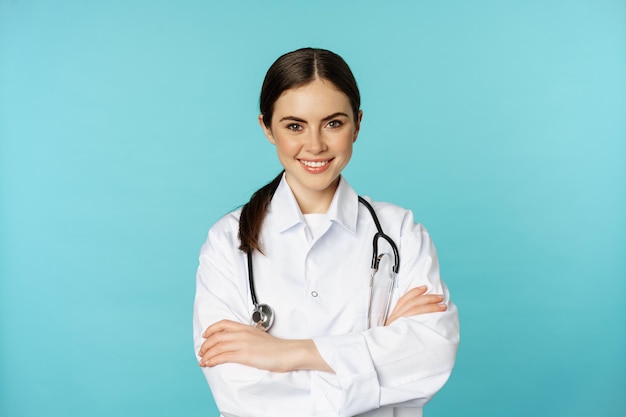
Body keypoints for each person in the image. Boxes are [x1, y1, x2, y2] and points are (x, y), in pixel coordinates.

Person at [193, 47, 460, 417]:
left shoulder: (399, 232)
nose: (315, 144)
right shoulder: (227, 242)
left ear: (358, 124)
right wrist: (377, 352)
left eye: (333, 123)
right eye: (294, 125)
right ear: (266, 127)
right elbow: (239, 390)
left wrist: (288, 353)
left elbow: (431, 356)